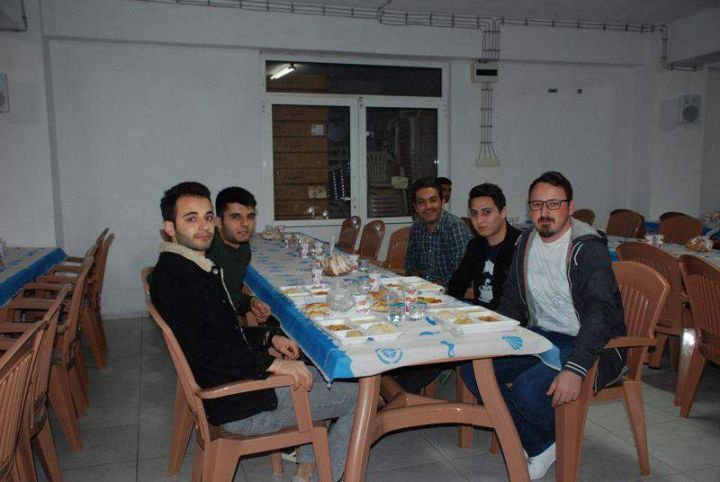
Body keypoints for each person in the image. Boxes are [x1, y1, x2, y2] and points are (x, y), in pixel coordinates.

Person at [150, 182, 356, 482]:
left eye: (207, 217)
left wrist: (268, 338)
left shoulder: (180, 267)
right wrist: (271, 364)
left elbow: (221, 334)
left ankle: (309, 463)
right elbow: (209, 352)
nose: (204, 226)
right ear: (170, 227)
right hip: (239, 402)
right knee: (360, 395)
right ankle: (320, 475)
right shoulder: (181, 279)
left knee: (312, 366)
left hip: (231, 386)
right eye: (191, 219)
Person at [461, 171, 627, 479]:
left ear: (570, 207)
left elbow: (601, 312)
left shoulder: (587, 248)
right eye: (537, 205)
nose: (544, 212)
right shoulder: (526, 242)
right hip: (542, 336)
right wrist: (498, 337)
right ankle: (543, 441)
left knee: (527, 390)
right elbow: (513, 297)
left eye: (553, 204)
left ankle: (546, 440)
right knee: (474, 370)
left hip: (589, 343)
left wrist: (576, 368)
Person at [447, 183, 521, 310]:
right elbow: (456, 286)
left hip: (506, 318)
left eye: (486, 212)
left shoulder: (520, 245)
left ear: (503, 212)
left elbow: (518, 302)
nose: (479, 220)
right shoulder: (475, 245)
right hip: (479, 314)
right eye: (474, 213)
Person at [206, 186, 271, 325]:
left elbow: (231, 294)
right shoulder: (210, 252)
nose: (245, 224)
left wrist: (251, 302)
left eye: (250, 217)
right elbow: (220, 304)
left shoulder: (243, 246)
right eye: (236, 217)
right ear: (218, 222)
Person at [405, 177, 473, 287]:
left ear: (442, 202)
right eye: (421, 202)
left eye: (433, 200)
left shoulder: (455, 228)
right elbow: (410, 266)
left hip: (451, 292)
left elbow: (462, 273)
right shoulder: (416, 228)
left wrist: (433, 287)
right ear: (416, 207)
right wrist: (416, 284)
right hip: (422, 291)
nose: (428, 206)